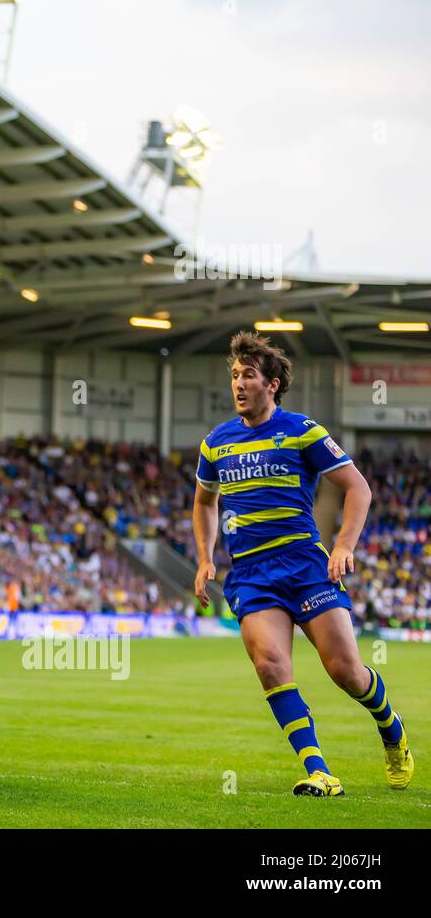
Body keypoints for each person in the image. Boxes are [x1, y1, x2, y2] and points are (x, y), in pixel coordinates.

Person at [193, 331, 413, 796]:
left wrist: (343, 546)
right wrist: (203, 557)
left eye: (248, 375)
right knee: (271, 665)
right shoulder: (216, 443)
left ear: (271, 384)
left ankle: (391, 728)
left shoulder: (302, 431)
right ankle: (319, 771)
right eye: (234, 375)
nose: (239, 384)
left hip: (305, 566)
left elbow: (359, 488)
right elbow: (203, 502)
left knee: (346, 672)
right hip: (251, 575)